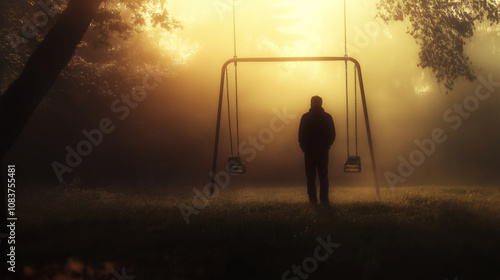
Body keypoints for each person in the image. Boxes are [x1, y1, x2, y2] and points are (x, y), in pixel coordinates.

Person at [298, 96, 336, 204]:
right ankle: (324, 199)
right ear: (321, 103)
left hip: (310, 151)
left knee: (311, 176)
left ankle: (313, 199)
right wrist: (327, 145)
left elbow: (301, 135)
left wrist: (304, 147)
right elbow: (332, 134)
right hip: (322, 150)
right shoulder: (327, 117)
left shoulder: (305, 117)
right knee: (323, 175)